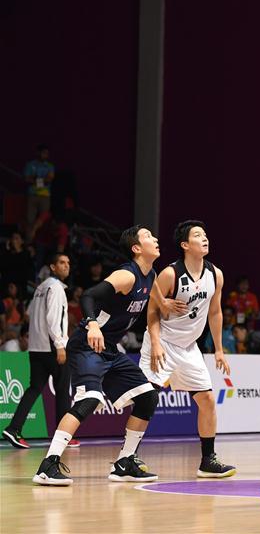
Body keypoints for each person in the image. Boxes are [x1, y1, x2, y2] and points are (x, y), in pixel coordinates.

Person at [32, 226, 176, 486]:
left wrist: (164, 303)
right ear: (136, 248)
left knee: (147, 397)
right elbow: (89, 295)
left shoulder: (151, 274)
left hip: (109, 348)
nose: (155, 238)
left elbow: (154, 294)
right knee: (90, 398)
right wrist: (92, 324)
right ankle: (47, 465)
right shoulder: (126, 275)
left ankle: (124, 463)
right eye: (148, 236)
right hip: (88, 344)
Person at [140, 220, 236, 478]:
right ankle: (127, 457)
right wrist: (156, 343)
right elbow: (152, 311)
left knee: (207, 400)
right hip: (163, 342)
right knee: (146, 400)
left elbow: (215, 312)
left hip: (189, 347)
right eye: (197, 235)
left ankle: (208, 461)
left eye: (205, 234)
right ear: (185, 245)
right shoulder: (170, 274)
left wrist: (219, 349)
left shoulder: (215, 274)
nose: (204, 238)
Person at [2, 254, 77, 449]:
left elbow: (28, 315)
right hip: (52, 347)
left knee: (34, 388)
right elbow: (54, 319)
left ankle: (13, 429)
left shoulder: (40, 288)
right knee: (62, 390)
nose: (66, 266)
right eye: (62, 263)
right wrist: (60, 345)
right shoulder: (56, 288)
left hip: (36, 347)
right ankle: (63, 436)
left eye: (68, 263)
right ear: (52, 267)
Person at [24, 145, 54, 239]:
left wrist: (35, 179)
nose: (46, 155)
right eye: (44, 153)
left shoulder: (50, 166)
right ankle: (28, 241)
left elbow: (49, 180)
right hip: (32, 195)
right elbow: (27, 179)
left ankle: (40, 241)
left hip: (45, 196)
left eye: (47, 153)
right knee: (30, 220)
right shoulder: (30, 165)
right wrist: (42, 180)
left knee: (43, 220)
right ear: (38, 153)